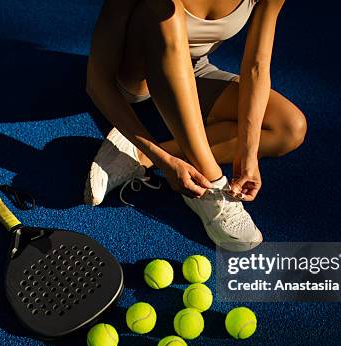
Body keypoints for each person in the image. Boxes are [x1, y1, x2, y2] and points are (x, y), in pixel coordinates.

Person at [84, 0, 306, 251]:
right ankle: (211, 182)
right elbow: (97, 82)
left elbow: (257, 66)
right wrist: (164, 161)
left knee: (288, 128)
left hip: (193, 70)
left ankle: (137, 157)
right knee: (165, 10)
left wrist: (248, 149)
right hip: (137, 80)